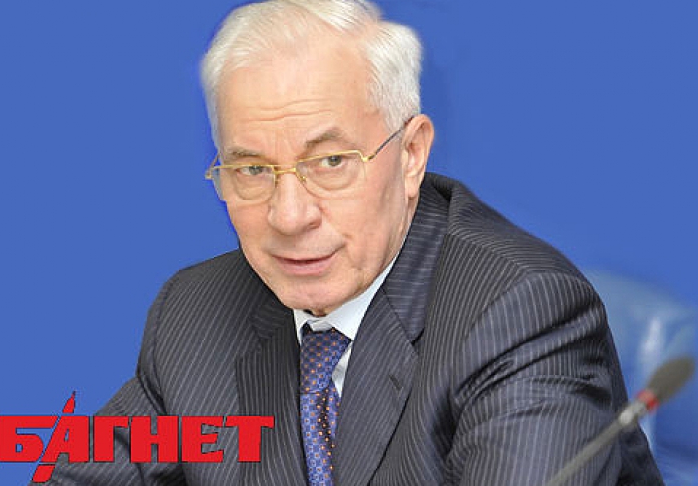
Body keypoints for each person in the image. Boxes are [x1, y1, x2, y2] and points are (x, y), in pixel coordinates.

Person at [43, 0, 663, 484]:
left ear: (411, 154)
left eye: (331, 161)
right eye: (253, 169)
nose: (289, 217)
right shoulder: (193, 312)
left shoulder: (522, 315)